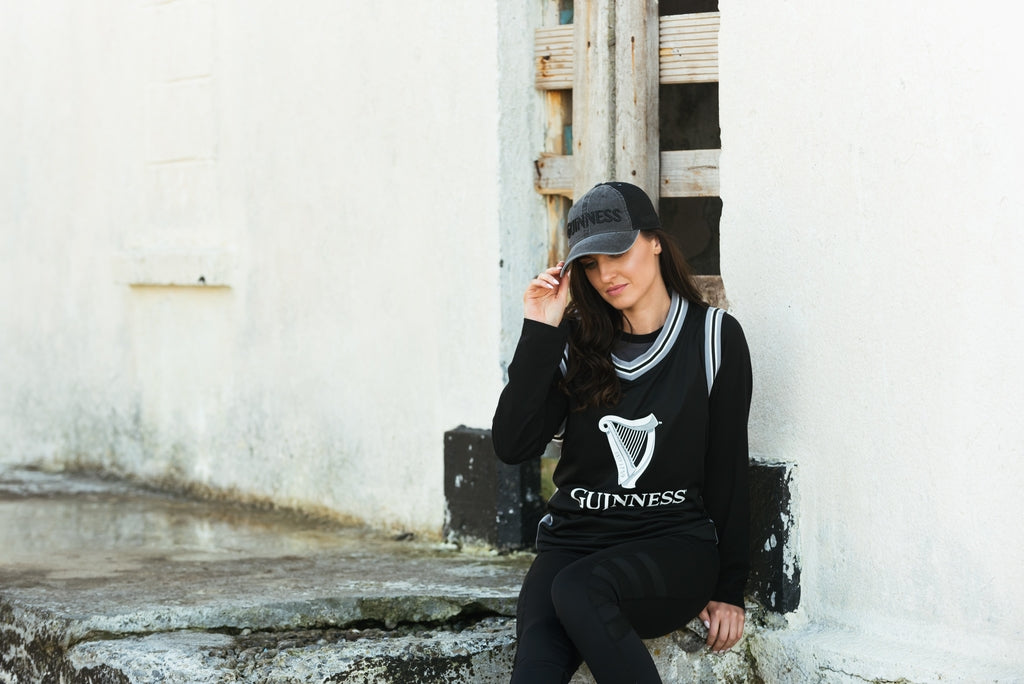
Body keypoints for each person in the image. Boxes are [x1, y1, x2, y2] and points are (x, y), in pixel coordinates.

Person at [492, 181, 752, 683]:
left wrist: (730, 589)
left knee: (576, 589)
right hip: (574, 542)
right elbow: (513, 444)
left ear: (655, 241)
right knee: (537, 662)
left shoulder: (715, 338)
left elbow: (728, 469)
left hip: (672, 546)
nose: (606, 274)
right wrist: (541, 331)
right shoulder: (573, 342)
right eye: (590, 263)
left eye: (619, 252)